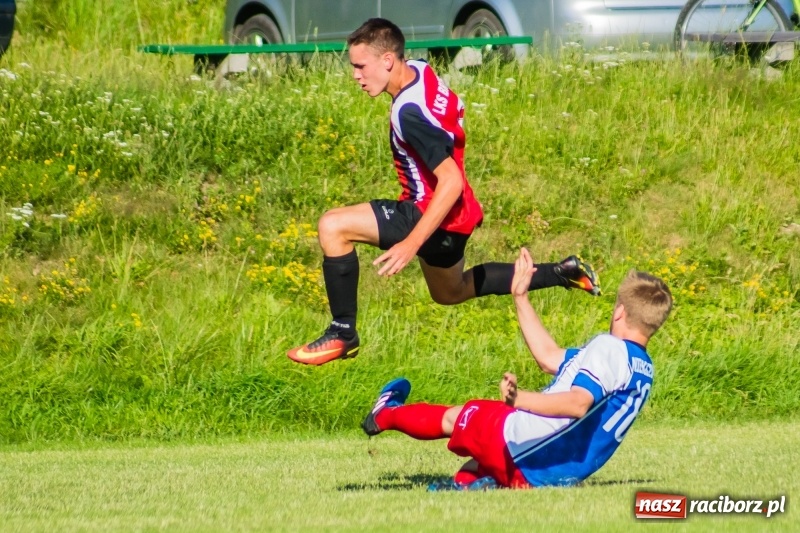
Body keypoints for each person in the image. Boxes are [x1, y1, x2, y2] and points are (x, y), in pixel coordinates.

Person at [287, 18, 600, 366]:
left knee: (333, 226)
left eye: (360, 66)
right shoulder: (421, 71)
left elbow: (449, 181)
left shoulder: (408, 113)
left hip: (430, 211)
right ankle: (560, 273)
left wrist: (411, 243)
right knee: (450, 292)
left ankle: (343, 331)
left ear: (388, 60)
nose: (356, 75)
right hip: (458, 219)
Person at [360, 248, 673, 489]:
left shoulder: (609, 348)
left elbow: (578, 404)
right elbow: (550, 358)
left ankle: (384, 413)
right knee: (476, 466)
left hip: (524, 445)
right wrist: (520, 296)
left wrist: (518, 399)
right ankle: (470, 485)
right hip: (547, 471)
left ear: (619, 312)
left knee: (456, 417)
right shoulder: (640, 367)